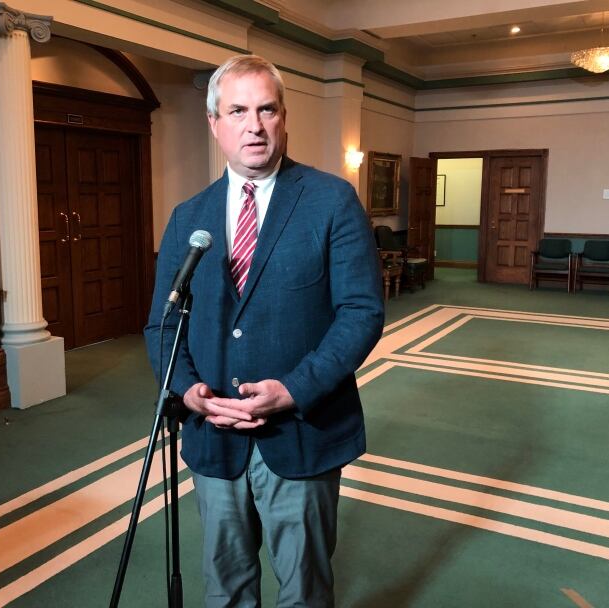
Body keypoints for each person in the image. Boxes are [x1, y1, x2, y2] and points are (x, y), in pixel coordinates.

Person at [144, 54, 384, 607]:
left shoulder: (331, 200)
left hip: (301, 433)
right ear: (216, 124)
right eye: (237, 111)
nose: (253, 125)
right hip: (215, 436)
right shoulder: (189, 216)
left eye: (265, 110)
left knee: (303, 589)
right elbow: (163, 322)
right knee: (226, 587)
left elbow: (361, 313)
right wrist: (189, 392)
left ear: (282, 117)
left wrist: (295, 389)